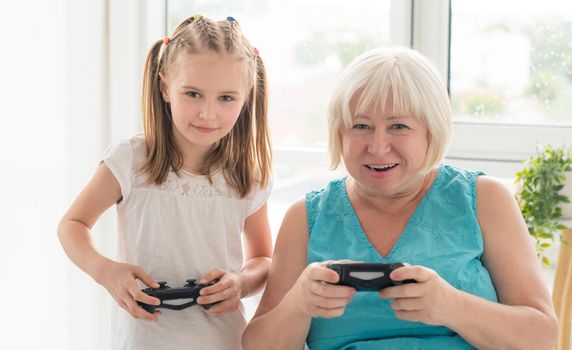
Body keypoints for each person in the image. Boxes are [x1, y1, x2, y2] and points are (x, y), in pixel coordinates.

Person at [242, 46, 558, 349]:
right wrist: (298, 303)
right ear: (340, 132)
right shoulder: (306, 217)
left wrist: (453, 307)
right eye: (361, 126)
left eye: (399, 126)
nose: (378, 147)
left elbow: (542, 338)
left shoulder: (485, 199)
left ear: (431, 132)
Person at [58, 14, 273, 350]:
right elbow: (72, 224)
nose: (208, 113)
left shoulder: (248, 175)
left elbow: (263, 259)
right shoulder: (130, 160)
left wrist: (241, 283)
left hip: (225, 341)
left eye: (226, 98)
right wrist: (106, 272)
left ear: (246, 97)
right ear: (164, 86)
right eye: (193, 94)